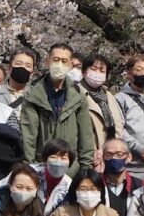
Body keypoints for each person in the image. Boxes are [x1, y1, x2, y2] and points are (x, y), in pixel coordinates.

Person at [20, 42, 95, 177]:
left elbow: (86, 133)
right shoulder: (33, 94)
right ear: (47, 61)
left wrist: (86, 166)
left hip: (70, 166)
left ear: (71, 65)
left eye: (64, 61)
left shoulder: (78, 95)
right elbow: (28, 133)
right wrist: (28, 165)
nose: (59, 64)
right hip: (41, 165)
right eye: (56, 60)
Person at [78, 53, 125, 171]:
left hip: (110, 156)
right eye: (93, 69)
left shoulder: (108, 96)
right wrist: (94, 153)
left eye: (102, 70)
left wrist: (111, 150)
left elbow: (118, 124)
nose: (97, 73)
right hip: (89, 157)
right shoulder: (75, 94)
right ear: (84, 72)